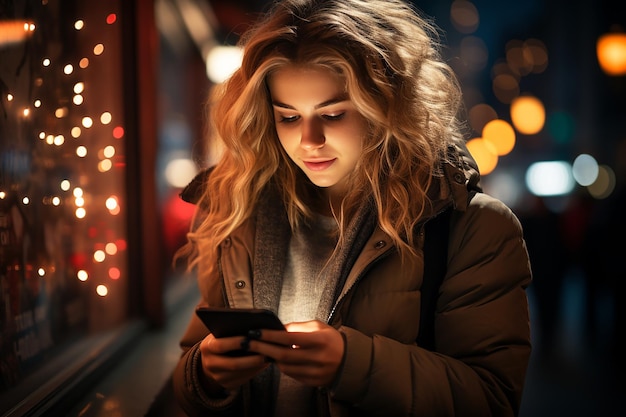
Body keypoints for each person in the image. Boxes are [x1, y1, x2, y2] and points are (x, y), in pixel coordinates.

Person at [172, 0, 533, 415]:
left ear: (388, 108)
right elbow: (188, 379)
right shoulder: (237, 216)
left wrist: (353, 363)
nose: (309, 139)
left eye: (333, 113)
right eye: (288, 117)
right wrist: (205, 372)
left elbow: (492, 400)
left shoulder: (473, 227)